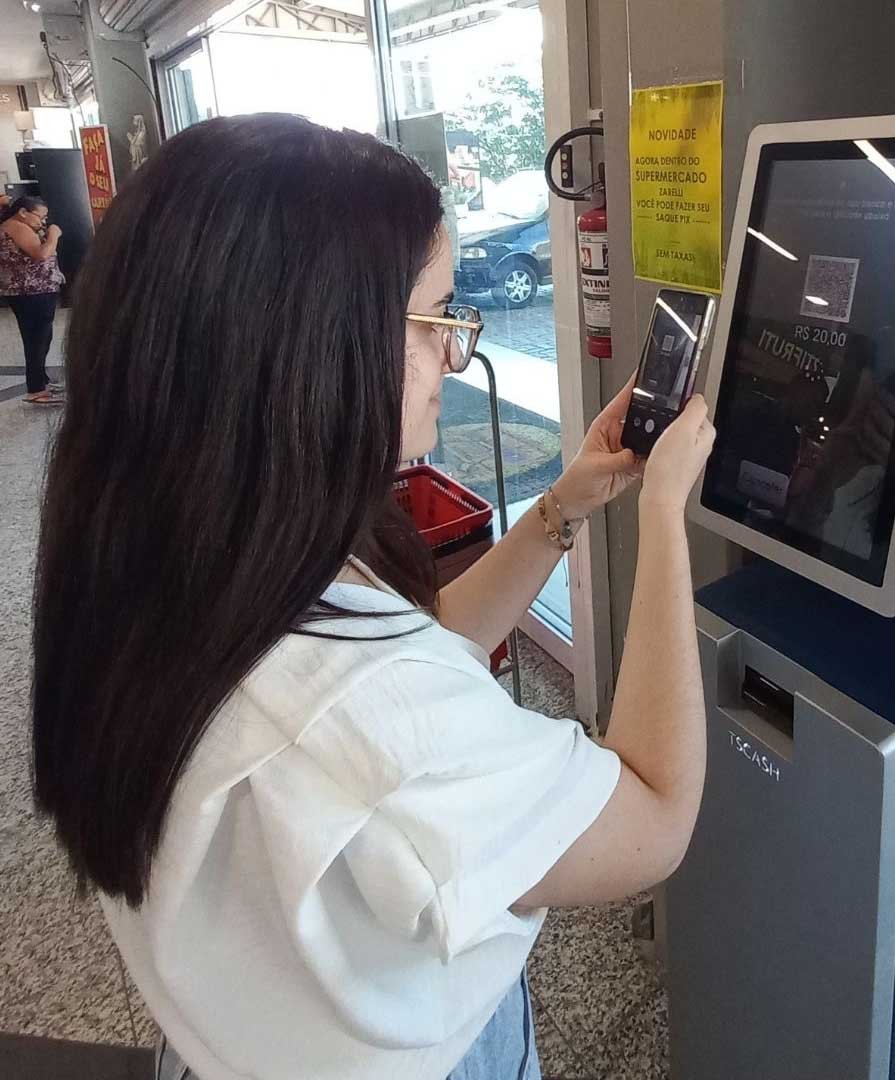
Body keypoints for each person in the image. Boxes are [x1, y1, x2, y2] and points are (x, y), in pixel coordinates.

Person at [31, 115, 714, 1080]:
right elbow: (655, 813)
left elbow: (413, 647)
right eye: (435, 319)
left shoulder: (164, 557)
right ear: (313, 342)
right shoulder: (381, 727)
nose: (457, 356)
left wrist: (563, 507)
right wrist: (668, 518)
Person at [0, 194, 65, 406]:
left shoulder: (18, 225)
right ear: (23, 212)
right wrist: (54, 235)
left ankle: (41, 382)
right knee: (36, 340)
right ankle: (36, 389)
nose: (42, 222)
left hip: (35, 291)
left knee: (41, 338)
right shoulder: (16, 227)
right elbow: (41, 254)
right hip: (30, 293)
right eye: (40, 216)